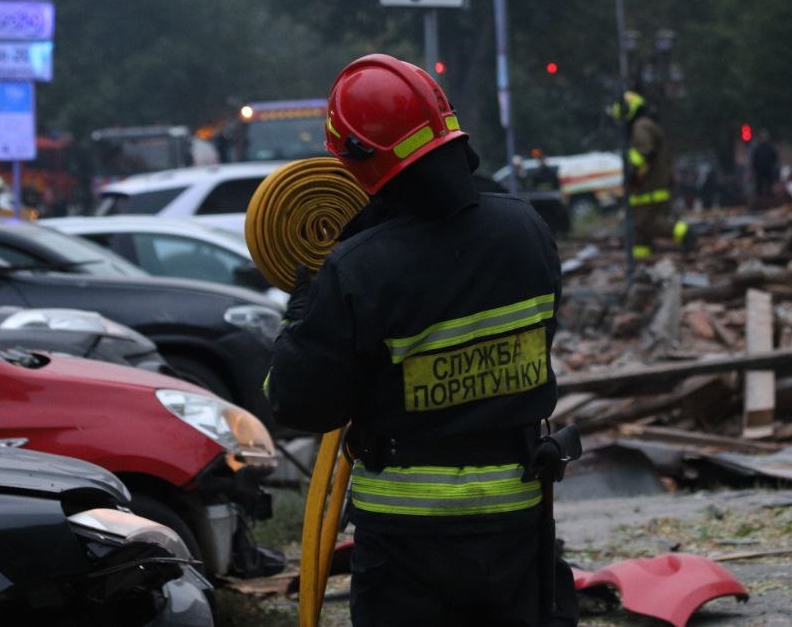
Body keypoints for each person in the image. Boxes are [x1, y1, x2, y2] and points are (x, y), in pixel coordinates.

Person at [265, 54, 577, 626]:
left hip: (408, 543)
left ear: (359, 159)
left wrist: (307, 300)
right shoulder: (526, 230)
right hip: (517, 518)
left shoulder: (358, 269)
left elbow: (299, 401)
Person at [611, 90, 691, 260]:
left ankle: (685, 233)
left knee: (646, 224)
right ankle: (642, 262)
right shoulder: (645, 124)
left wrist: (632, 171)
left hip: (651, 187)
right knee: (638, 230)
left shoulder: (641, 126)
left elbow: (645, 152)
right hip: (645, 187)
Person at [750, 129, 780, 203]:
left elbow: (775, 159)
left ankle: (771, 200)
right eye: (762, 137)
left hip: (768, 170)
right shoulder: (757, 148)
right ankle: (759, 201)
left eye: (765, 137)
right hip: (759, 170)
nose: (764, 139)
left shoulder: (770, 148)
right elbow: (754, 160)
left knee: (770, 186)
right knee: (759, 187)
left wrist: (774, 168)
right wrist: (753, 170)